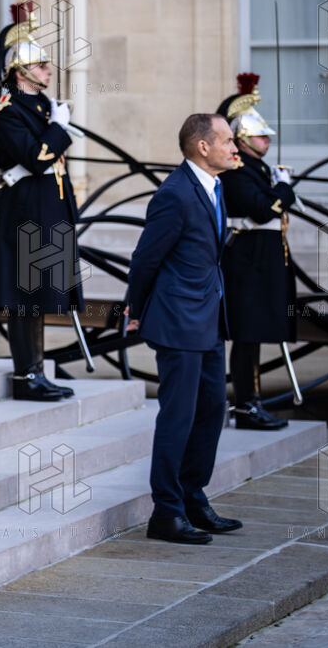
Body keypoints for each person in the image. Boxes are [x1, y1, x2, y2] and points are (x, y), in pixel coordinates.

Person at [125, 113, 244, 544]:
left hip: (208, 318)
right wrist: (135, 307)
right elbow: (145, 257)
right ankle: (167, 512)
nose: (235, 147)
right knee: (178, 417)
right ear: (202, 147)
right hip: (177, 321)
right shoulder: (174, 194)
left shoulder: (214, 186)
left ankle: (193, 498)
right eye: (227, 140)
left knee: (212, 409)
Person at [0, 1, 80, 401]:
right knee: (25, 296)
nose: (48, 70)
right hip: (25, 210)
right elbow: (37, 158)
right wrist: (58, 128)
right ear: (20, 72)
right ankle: (26, 375)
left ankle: (37, 371)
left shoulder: (39, 106)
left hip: (47, 209)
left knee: (40, 295)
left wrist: (53, 120)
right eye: (40, 66)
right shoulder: (6, 110)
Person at [216, 73, 295, 430]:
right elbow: (263, 210)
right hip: (248, 262)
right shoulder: (236, 171)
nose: (267, 140)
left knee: (256, 333)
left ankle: (252, 403)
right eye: (260, 135)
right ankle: (246, 406)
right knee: (247, 335)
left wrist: (278, 188)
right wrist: (284, 191)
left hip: (262, 261)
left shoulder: (257, 168)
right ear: (243, 137)